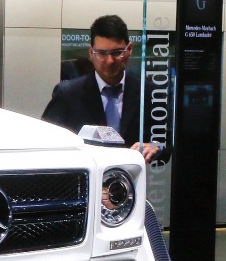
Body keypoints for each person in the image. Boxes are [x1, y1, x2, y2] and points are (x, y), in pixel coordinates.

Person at [42, 14, 167, 162]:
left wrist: (156, 147)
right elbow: (46, 143)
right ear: (91, 53)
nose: (109, 61)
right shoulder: (68, 94)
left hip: (132, 181)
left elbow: (167, 144)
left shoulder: (149, 93)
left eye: (117, 53)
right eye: (101, 53)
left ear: (129, 49)